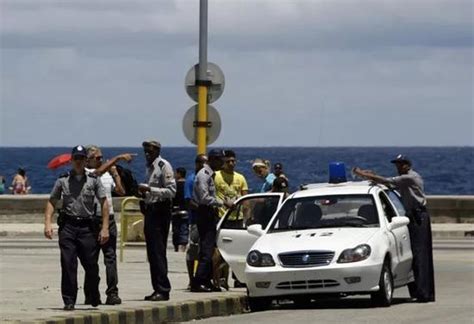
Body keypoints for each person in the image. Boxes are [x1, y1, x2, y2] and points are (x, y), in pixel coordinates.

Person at [353, 154, 435, 303]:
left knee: (421, 255)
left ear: (408, 165)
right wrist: (371, 176)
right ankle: (419, 291)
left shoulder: (410, 177)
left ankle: (424, 293)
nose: (398, 167)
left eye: (401, 164)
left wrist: (363, 174)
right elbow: (389, 185)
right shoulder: (404, 179)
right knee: (415, 255)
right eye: (397, 164)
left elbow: (386, 181)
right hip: (413, 216)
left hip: (418, 217)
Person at [43, 145, 110, 311]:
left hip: (87, 228)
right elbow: (52, 201)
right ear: (71, 160)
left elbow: (104, 203)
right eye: (76, 159)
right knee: (68, 264)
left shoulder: (93, 180)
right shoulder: (62, 180)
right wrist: (47, 223)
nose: (79, 162)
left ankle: (93, 293)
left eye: (82, 158)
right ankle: (69, 300)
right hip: (68, 227)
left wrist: (105, 228)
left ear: (86, 160)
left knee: (91, 265)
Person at [83, 146, 135, 305]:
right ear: (88, 160)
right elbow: (97, 173)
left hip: (109, 219)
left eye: (101, 158)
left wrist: (116, 175)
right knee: (90, 259)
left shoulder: (106, 175)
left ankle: (112, 292)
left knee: (110, 258)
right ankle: (91, 293)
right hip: (92, 220)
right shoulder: (86, 173)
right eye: (97, 158)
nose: (100, 160)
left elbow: (120, 191)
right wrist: (118, 158)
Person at [138, 140, 176, 301]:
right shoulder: (150, 167)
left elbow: (171, 191)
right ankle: (157, 287)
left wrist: (150, 189)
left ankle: (163, 288)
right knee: (152, 253)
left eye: (150, 151)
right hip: (151, 210)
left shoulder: (163, 166)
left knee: (158, 252)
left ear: (157, 151)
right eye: (145, 151)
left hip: (160, 211)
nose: (147, 153)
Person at [191, 149, 231, 292]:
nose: (223, 163)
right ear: (213, 160)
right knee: (206, 250)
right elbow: (204, 198)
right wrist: (222, 203)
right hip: (205, 212)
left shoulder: (210, 175)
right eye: (221, 160)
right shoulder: (204, 175)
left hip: (210, 213)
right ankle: (199, 281)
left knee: (211, 248)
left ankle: (206, 280)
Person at [184, 154, 208, 289]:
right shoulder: (191, 179)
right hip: (195, 220)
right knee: (193, 250)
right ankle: (191, 279)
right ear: (197, 164)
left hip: (208, 220)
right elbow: (188, 200)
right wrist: (201, 209)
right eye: (203, 163)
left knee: (205, 250)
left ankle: (203, 278)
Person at [215, 150, 248, 218]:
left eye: (233, 161)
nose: (231, 164)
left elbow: (246, 200)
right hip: (221, 218)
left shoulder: (241, 177)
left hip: (238, 218)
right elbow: (210, 195)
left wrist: (247, 217)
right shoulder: (215, 176)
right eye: (228, 162)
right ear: (223, 162)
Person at [172, 167, 189, 252]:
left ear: (179, 174)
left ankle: (176, 246)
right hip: (185, 210)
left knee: (176, 229)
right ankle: (183, 245)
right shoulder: (187, 185)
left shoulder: (174, 186)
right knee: (184, 228)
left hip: (175, 211)